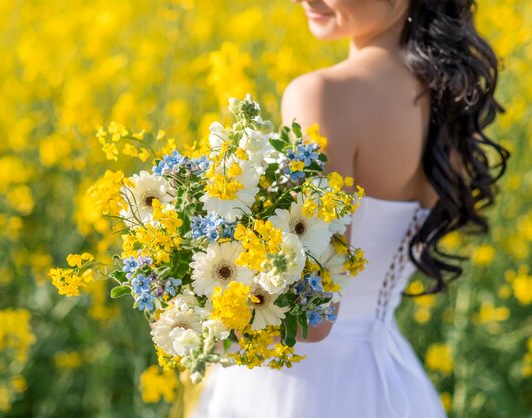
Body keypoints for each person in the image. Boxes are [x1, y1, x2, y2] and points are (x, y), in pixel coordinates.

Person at [186, 0, 510, 417]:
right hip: (392, 383)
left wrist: (197, 295)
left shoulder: (323, 94)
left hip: (298, 391)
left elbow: (314, 317)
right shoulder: (448, 99)